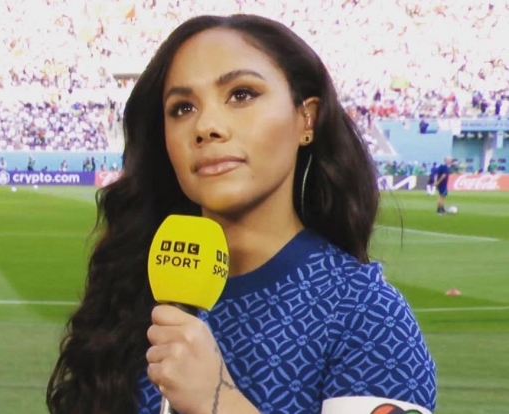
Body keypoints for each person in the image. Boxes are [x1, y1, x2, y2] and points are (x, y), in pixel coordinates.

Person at [47, 15, 436, 414]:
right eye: (182, 108)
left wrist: (217, 401)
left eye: (241, 94)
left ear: (306, 118)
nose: (207, 126)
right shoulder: (130, 296)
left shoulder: (367, 315)